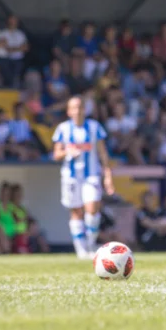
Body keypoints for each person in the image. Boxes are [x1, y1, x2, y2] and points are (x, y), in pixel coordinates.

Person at [52, 95, 115, 258]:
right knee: (76, 212)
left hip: (91, 175)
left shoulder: (94, 127)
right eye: (74, 108)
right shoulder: (63, 129)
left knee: (92, 208)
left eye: (80, 107)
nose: (78, 111)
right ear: (68, 111)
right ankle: (81, 250)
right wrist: (68, 152)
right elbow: (56, 154)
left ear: (85, 110)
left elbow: (103, 153)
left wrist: (108, 176)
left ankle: (91, 244)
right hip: (71, 176)